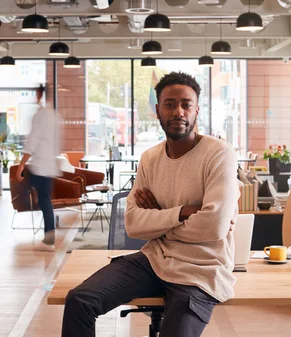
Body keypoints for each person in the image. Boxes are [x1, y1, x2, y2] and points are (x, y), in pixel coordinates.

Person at [61, 72, 239, 337]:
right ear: (157, 110)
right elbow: (133, 224)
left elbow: (212, 228)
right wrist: (181, 213)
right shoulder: (150, 158)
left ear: (197, 110)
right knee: (79, 300)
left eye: (186, 104)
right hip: (155, 259)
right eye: (170, 104)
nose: (178, 111)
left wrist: (157, 219)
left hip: (202, 269)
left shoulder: (219, 153)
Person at [16, 84, 62, 251]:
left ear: (39, 95)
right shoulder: (54, 116)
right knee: (44, 201)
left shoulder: (40, 115)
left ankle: (49, 240)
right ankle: (48, 238)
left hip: (40, 166)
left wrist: (21, 165)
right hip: (48, 166)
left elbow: (32, 141)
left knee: (34, 197)